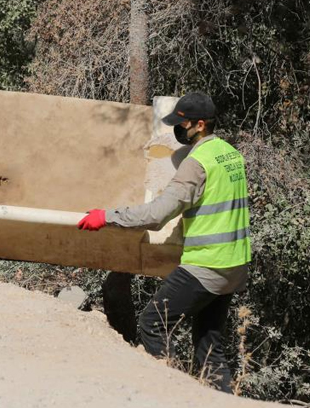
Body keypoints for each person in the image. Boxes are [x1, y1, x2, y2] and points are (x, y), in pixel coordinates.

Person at [77, 92, 250, 392]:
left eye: (181, 125)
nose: (176, 130)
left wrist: (106, 216)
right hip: (234, 265)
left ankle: (172, 392)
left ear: (199, 125)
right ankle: (223, 398)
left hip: (206, 264)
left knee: (152, 323)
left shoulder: (196, 163)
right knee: (208, 342)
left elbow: (156, 215)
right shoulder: (230, 154)